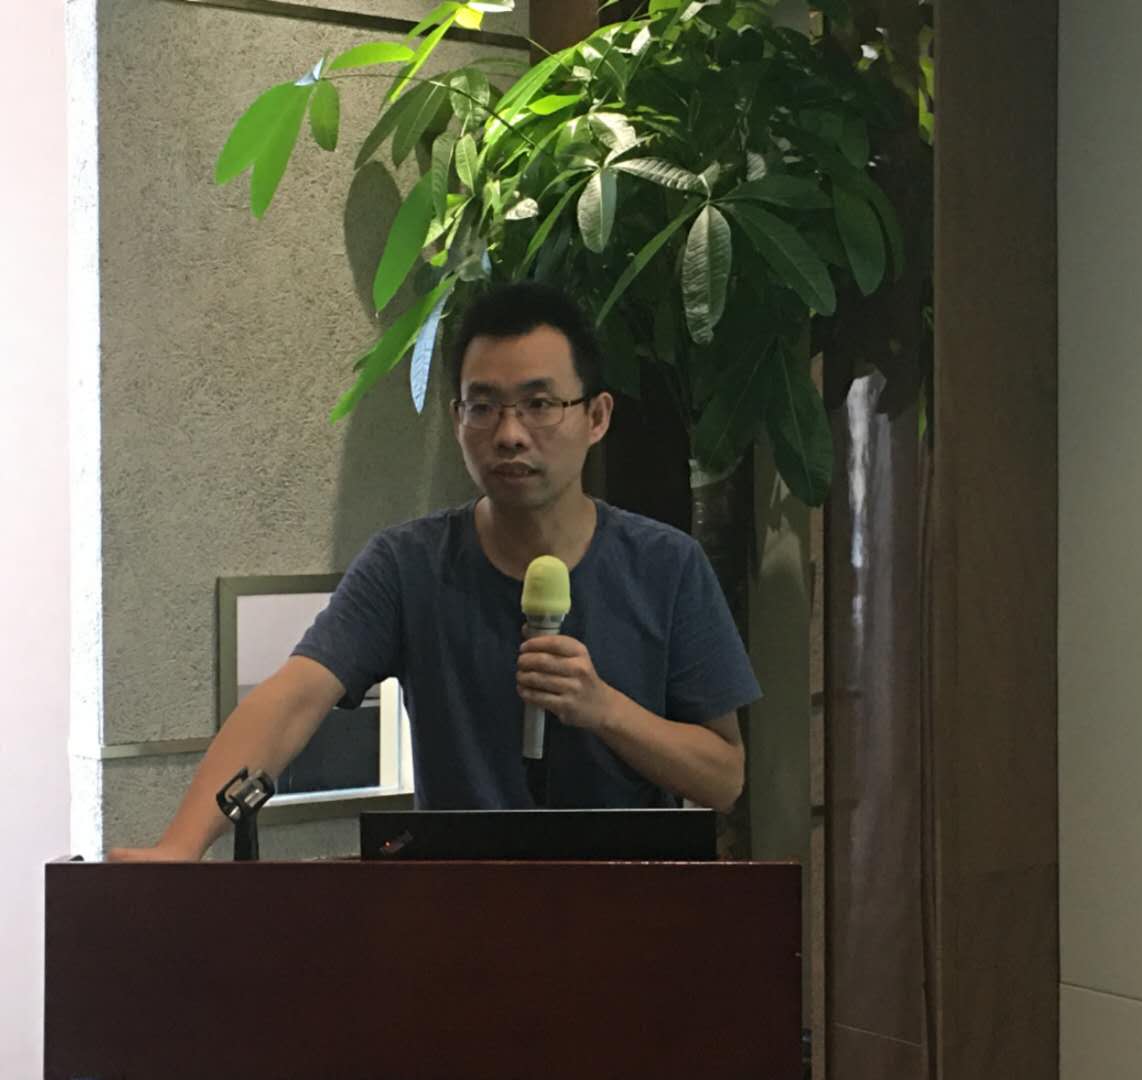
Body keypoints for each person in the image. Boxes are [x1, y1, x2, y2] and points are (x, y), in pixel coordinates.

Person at [109, 281, 760, 861]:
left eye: (539, 404)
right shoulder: (407, 565)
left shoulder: (668, 565)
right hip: (453, 915)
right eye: (484, 406)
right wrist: (181, 846)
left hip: (627, 916)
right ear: (457, 419)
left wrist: (604, 708)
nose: (510, 433)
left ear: (596, 417)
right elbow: (293, 697)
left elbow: (723, 777)